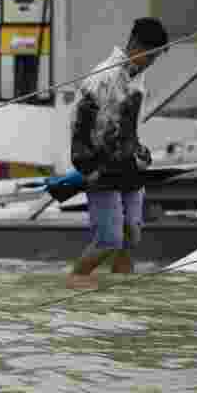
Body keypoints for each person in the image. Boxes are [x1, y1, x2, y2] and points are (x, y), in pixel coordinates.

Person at [67, 17, 169, 289]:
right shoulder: (103, 77)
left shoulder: (138, 75)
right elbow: (78, 125)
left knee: (131, 235)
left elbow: (128, 126)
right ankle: (72, 283)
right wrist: (87, 168)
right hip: (100, 166)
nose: (153, 63)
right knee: (108, 240)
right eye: (152, 56)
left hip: (128, 164)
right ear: (136, 45)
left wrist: (140, 151)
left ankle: (123, 294)